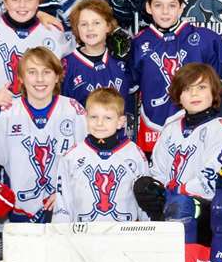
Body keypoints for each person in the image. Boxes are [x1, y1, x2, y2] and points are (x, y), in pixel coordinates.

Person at [0, 45, 86, 224]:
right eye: (32, 72)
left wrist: (66, 192)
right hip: (21, 213)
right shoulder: (9, 112)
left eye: (46, 72)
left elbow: (88, 157)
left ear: (58, 76)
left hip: (65, 210)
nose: (39, 79)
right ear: (20, 78)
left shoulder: (72, 109)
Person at [129, 0, 222, 151]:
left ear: (182, 7)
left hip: (198, 125)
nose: (165, 11)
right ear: (148, 7)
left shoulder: (203, 38)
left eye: (172, 5)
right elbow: (127, 84)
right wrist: (116, 57)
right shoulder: (138, 43)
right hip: (153, 128)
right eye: (158, 5)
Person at [50, 88, 153, 224]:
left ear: (120, 122)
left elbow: (144, 203)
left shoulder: (135, 154)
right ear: (86, 118)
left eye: (108, 118)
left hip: (124, 238)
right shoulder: (72, 155)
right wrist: (60, 235)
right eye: (94, 117)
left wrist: (151, 232)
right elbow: (63, 203)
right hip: (83, 238)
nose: (99, 123)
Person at [151, 62, 222, 220]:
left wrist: (176, 191)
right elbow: (157, 171)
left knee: (181, 205)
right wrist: (155, 190)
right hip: (170, 199)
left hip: (204, 207)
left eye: (201, 87)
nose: (194, 94)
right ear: (179, 96)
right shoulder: (170, 129)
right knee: (142, 188)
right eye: (187, 89)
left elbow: (209, 181)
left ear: (213, 92)